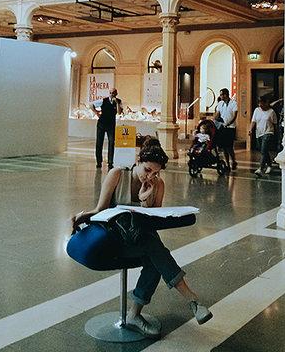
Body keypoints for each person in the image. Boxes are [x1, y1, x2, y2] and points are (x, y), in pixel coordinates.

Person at [71, 140, 213, 338]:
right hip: (113, 239)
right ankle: (191, 300)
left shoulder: (158, 185)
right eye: (147, 170)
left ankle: (136, 315)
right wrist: (80, 217)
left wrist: (145, 201)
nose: (150, 176)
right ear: (138, 161)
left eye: (156, 173)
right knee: (154, 249)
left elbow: (154, 221)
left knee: (153, 252)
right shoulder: (118, 174)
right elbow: (100, 209)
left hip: (140, 240)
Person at [91, 88, 121, 169]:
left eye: (113, 93)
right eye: (110, 93)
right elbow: (91, 105)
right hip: (101, 124)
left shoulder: (118, 101)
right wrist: (96, 113)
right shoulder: (103, 100)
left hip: (111, 125)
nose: (111, 94)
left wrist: (117, 103)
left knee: (111, 142)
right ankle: (99, 161)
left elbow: (119, 112)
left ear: (116, 93)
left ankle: (110, 162)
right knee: (99, 142)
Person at [249, 96, 278, 176]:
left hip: (268, 132)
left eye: (262, 103)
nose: (260, 105)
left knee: (263, 149)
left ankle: (260, 168)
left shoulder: (271, 112)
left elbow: (275, 124)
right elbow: (253, 121)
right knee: (263, 151)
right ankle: (269, 165)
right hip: (259, 133)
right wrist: (250, 129)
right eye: (259, 103)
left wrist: (276, 136)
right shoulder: (257, 110)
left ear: (266, 103)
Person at [214, 88, 238, 170]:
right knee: (224, 147)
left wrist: (229, 123)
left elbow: (234, 115)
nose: (220, 96)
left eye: (221, 95)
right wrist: (214, 121)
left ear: (225, 95)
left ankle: (233, 161)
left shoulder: (233, 103)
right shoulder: (220, 103)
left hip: (231, 128)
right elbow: (217, 114)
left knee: (229, 147)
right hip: (222, 127)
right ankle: (227, 164)